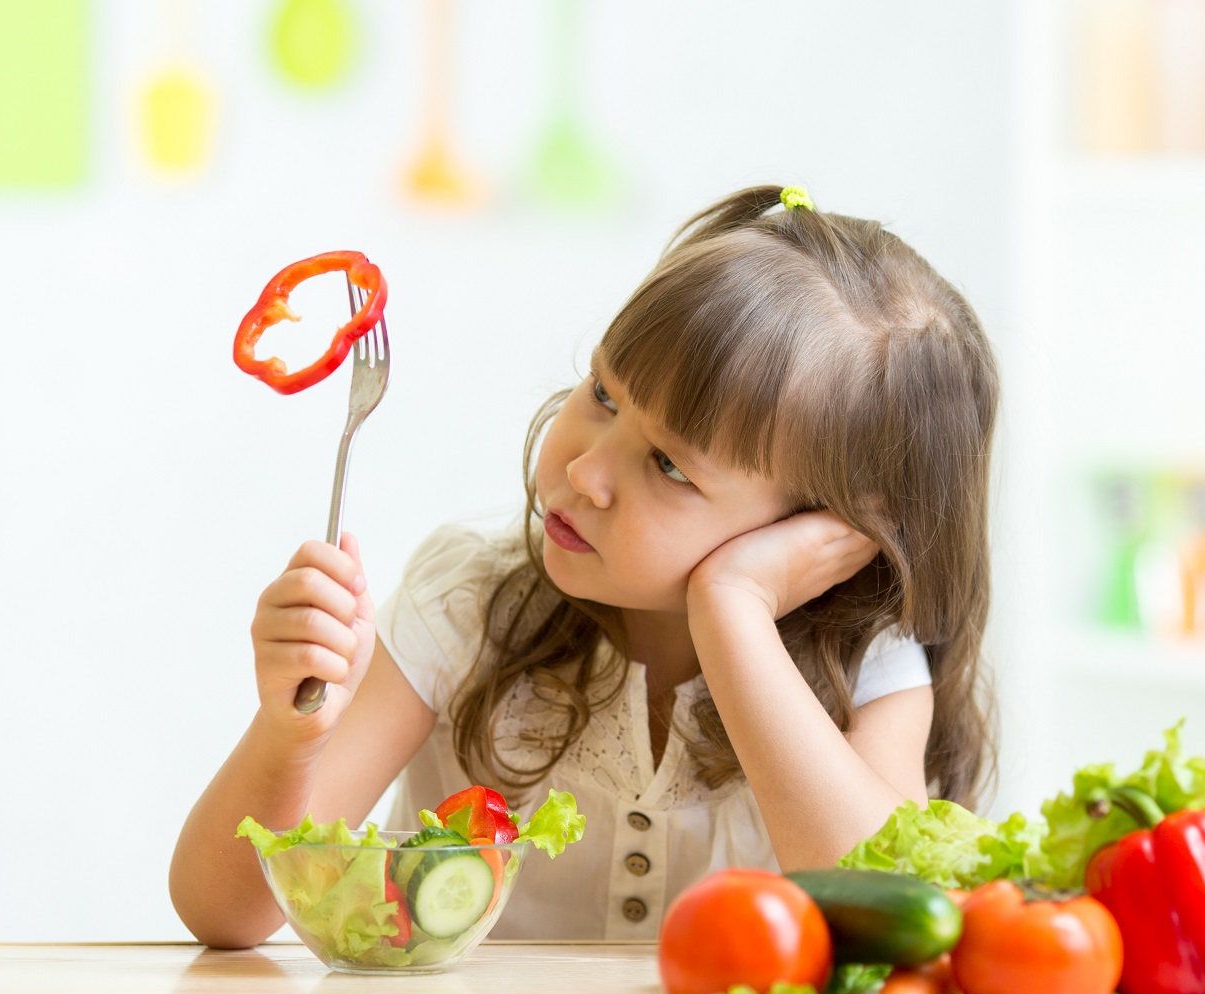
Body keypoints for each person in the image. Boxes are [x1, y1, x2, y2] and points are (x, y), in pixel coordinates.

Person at [170, 184, 1000, 947]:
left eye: (671, 467)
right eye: (603, 394)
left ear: (832, 534)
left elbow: (894, 926)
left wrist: (733, 608)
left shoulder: (869, 665)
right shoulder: (464, 604)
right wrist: (288, 739)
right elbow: (229, 912)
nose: (587, 472)